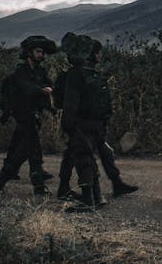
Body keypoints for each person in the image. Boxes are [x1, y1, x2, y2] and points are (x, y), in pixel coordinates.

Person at [54, 37, 139, 201]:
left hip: (89, 124)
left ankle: (113, 185)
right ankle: (91, 196)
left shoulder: (89, 74)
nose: (100, 56)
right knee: (83, 157)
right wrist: (70, 124)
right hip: (81, 123)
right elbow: (65, 102)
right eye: (98, 53)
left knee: (92, 154)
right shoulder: (78, 75)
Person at [59, 32, 117, 211]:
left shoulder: (74, 75)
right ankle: (97, 197)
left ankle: (88, 200)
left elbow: (70, 104)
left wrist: (67, 126)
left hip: (80, 123)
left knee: (83, 160)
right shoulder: (93, 74)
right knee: (89, 159)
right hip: (97, 124)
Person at [0, 35, 58, 195]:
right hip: (22, 114)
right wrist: (42, 90)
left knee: (22, 147)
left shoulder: (40, 71)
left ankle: (3, 176)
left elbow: (48, 84)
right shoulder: (21, 71)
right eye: (38, 52)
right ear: (29, 53)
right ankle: (38, 185)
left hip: (34, 114)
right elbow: (26, 88)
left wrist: (48, 93)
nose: (41, 55)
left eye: (42, 52)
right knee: (31, 148)